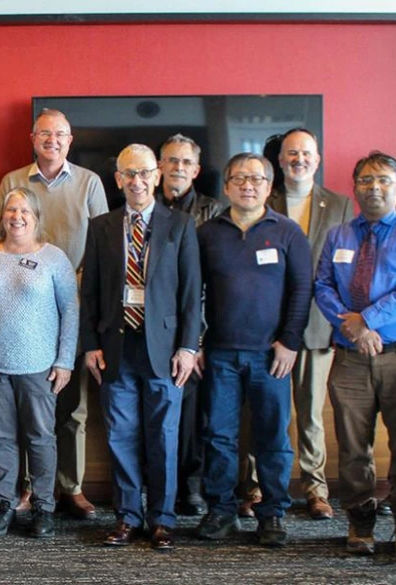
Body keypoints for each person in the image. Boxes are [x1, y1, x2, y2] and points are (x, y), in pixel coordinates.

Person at [315, 151, 396, 561]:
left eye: (383, 179)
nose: (374, 187)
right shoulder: (338, 236)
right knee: (352, 446)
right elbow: (323, 286)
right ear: (355, 189)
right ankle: (360, 520)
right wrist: (350, 327)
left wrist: (367, 319)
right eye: (366, 180)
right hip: (350, 358)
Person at [82, 145, 201, 549]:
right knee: (121, 436)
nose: (137, 181)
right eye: (128, 174)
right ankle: (128, 516)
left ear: (158, 175)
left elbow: (191, 293)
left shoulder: (181, 226)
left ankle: (162, 519)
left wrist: (188, 346)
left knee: (164, 437)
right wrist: (89, 346)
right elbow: (91, 293)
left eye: (144, 173)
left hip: (165, 351)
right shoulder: (100, 226)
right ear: (118, 179)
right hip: (116, 348)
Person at [0, 108, 108, 518]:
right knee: (27, 406)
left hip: (74, 306)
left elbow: (102, 246)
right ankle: (28, 487)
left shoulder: (90, 183)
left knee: (71, 405)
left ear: (70, 139)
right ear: (32, 137)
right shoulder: (12, 182)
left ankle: (70, 486)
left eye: (60, 134)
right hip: (22, 310)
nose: (53, 140)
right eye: (45, 134)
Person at [195, 153, 311, 547]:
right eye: (239, 179)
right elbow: (192, 293)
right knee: (218, 436)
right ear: (226, 186)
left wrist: (290, 342)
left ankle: (273, 514)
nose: (248, 185)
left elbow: (301, 291)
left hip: (271, 355)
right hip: (220, 353)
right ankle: (221, 511)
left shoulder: (288, 232)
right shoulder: (207, 233)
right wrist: (196, 342)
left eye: (257, 179)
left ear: (268, 185)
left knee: (272, 438)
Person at [0, 186, 78, 538]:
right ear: (1, 216)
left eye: (25, 211)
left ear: (37, 217)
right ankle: (4, 503)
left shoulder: (54, 257)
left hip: (40, 366)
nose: (17, 217)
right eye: (12, 210)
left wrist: (65, 360)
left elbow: (70, 310)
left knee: (41, 438)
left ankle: (43, 506)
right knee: (1, 438)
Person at [260, 128, 354, 521]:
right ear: (279, 161)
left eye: (306, 154)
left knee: (311, 414)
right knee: (266, 413)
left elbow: (344, 270)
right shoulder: (264, 197)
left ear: (317, 160)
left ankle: (315, 489)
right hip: (268, 326)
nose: (299, 160)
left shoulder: (341, 206)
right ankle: (259, 487)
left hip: (317, 325)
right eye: (291, 154)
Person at [157, 134, 224, 517]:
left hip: (195, 330)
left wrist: (195, 341)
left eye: (186, 162)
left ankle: (191, 487)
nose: (178, 168)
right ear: (160, 167)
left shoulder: (213, 212)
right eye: (172, 161)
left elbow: (208, 282)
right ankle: (157, 486)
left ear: (196, 171)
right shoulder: (144, 207)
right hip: (151, 326)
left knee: (191, 416)